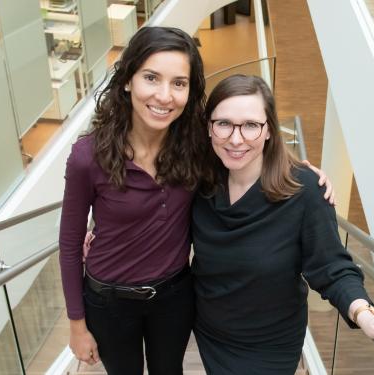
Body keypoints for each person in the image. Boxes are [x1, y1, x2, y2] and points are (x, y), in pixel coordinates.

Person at [61, 26, 333, 374]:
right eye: (151, 78)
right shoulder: (87, 156)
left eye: (179, 83)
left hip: (174, 296)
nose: (164, 95)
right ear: (128, 80)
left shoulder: (195, 148)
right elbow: (69, 245)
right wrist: (76, 324)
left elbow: (242, 146)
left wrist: (301, 169)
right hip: (108, 301)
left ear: (190, 91)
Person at [192, 74, 374, 375]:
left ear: (269, 130)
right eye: (224, 123)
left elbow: (332, 267)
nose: (236, 139)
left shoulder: (303, 190)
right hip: (211, 333)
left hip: (270, 344)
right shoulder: (199, 181)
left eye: (251, 125)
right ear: (209, 128)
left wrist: (365, 314)